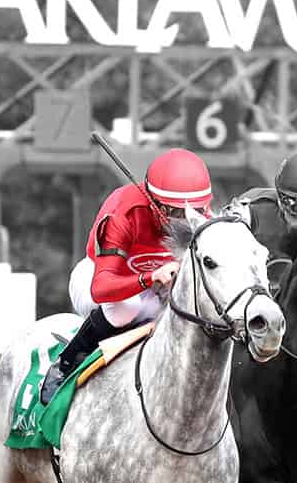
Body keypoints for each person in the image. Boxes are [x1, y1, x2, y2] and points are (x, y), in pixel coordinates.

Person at [39, 147, 214, 405]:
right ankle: (66, 363)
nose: (185, 222)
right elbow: (101, 288)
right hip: (98, 282)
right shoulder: (123, 212)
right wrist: (149, 278)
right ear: (154, 203)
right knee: (128, 306)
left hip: (154, 292)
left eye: (193, 211)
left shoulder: (201, 219)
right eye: (175, 213)